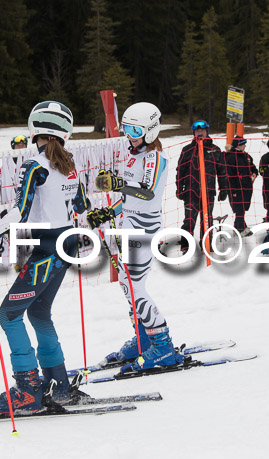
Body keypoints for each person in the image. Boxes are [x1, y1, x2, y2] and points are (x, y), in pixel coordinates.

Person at [0, 101, 90, 413]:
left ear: (35, 129)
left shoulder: (34, 165)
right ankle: (59, 384)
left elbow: (19, 211)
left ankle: (28, 389)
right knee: (38, 313)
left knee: (8, 315)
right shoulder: (69, 163)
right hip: (67, 249)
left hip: (47, 253)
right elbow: (82, 205)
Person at [87, 102, 185, 373]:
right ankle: (144, 340)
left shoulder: (155, 157)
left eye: (135, 129)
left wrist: (118, 184)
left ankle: (162, 346)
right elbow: (129, 195)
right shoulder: (131, 155)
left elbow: (148, 192)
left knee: (135, 287)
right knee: (126, 282)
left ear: (151, 131)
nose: (129, 134)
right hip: (128, 225)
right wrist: (108, 212)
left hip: (144, 229)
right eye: (126, 128)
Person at [175, 120, 228, 252]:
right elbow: (180, 171)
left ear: (207, 132)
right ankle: (186, 245)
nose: (200, 132)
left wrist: (224, 189)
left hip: (209, 192)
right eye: (197, 131)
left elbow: (222, 171)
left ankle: (207, 244)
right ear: (194, 133)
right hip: (191, 191)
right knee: (189, 220)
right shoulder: (187, 150)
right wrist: (179, 188)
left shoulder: (215, 150)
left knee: (207, 219)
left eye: (202, 130)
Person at [220, 136, 258, 235]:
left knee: (243, 208)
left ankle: (238, 227)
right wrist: (233, 190)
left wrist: (254, 172)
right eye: (243, 144)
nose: (245, 146)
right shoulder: (230, 157)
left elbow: (253, 167)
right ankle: (240, 229)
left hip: (247, 186)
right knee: (239, 208)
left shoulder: (246, 156)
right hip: (235, 187)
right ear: (238, 145)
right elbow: (229, 175)